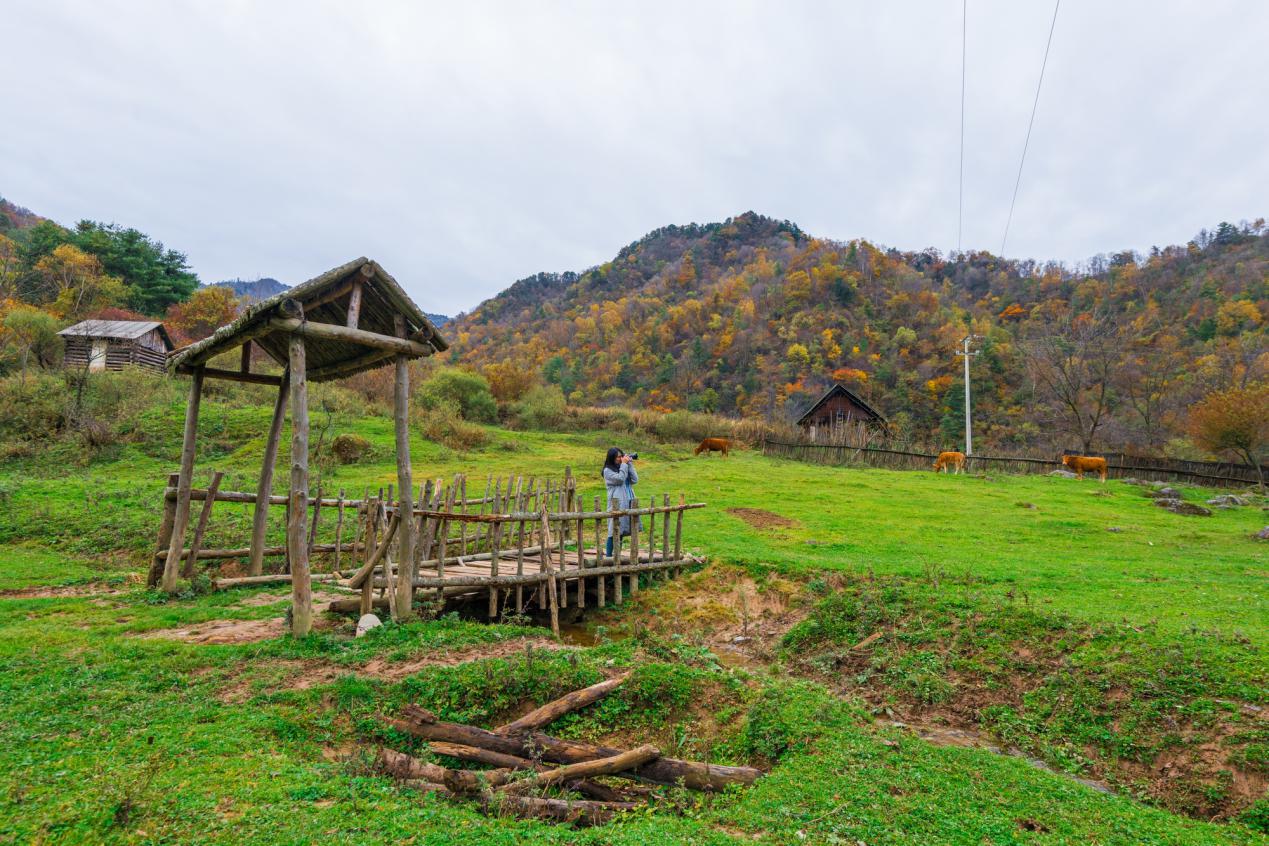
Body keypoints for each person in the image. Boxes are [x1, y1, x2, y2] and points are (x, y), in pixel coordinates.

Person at [602, 447, 638, 558]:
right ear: (611, 457)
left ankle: (617, 556)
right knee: (613, 531)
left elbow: (635, 479)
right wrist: (624, 464)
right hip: (617, 503)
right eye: (618, 457)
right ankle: (608, 557)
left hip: (629, 501)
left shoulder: (623, 467)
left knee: (621, 531)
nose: (620, 458)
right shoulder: (607, 471)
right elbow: (620, 479)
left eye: (621, 456)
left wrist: (629, 464)